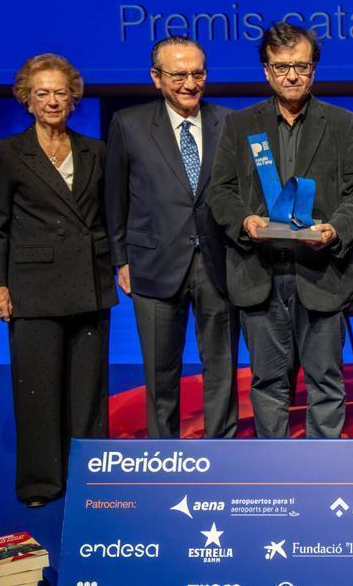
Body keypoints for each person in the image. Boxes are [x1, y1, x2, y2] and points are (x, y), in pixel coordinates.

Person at [206, 22, 353, 438]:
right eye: (281, 67)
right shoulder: (240, 124)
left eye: (301, 65)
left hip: (320, 271)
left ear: (314, 68)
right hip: (259, 271)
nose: (292, 75)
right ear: (266, 71)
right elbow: (220, 192)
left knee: (325, 383)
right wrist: (245, 221)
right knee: (267, 383)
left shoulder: (345, 125)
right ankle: (275, 473)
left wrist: (335, 229)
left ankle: (321, 475)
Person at [0, 54, 117, 507]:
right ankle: (41, 483)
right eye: (43, 93)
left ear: (74, 98)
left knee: (89, 392)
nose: (53, 101)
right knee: (37, 389)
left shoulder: (96, 151)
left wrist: (120, 265)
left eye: (61, 92)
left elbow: (109, 217)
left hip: (89, 282)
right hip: (33, 286)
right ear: (28, 99)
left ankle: (88, 479)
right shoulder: (5, 154)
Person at [104, 36, 239, 439]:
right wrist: (120, 259)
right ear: (156, 78)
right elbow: (115, 197)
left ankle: (223, 453)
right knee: (161, 371)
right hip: (153, 263)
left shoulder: (230, 122)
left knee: (223, 367)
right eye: (178, 74)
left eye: (197, 73)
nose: (189, 83)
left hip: (220, 264)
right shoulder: (128, 125)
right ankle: (165, 457)